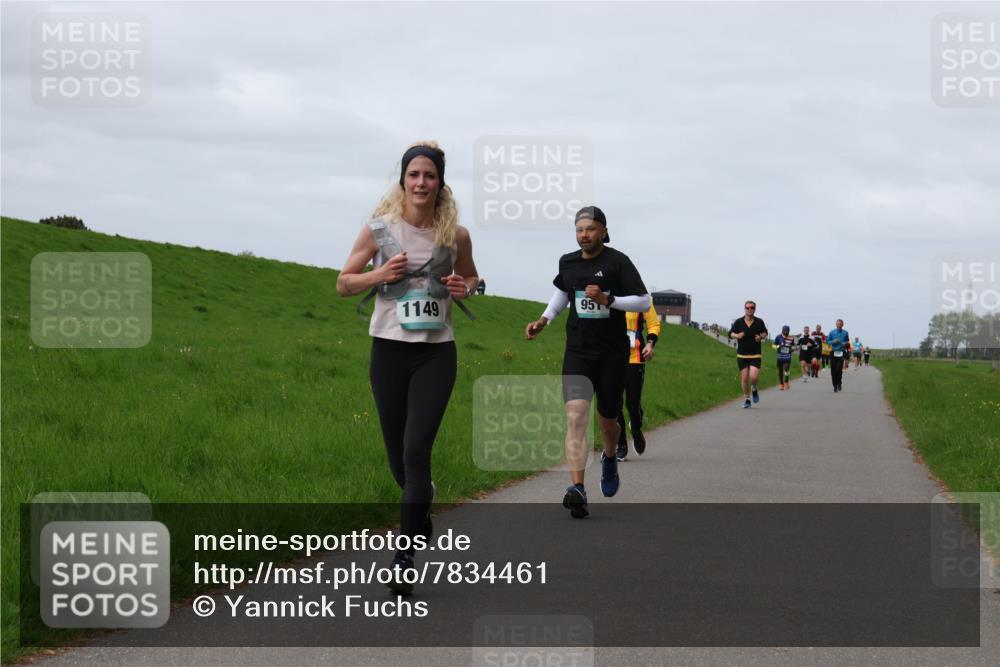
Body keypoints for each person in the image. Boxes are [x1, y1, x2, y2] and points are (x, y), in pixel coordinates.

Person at [337, 141, 479, 592]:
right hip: (389, 351)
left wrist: (466, 287)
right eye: (414, 175)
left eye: (429, 176)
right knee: (400, 461)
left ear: (441, 183)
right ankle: (423, 500)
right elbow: (344, 283)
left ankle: (403, 556)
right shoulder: (380, 229)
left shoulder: (454, 235)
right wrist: (381, 275)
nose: (421, 183)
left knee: (417, 450)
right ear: (403, 179)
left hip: (437, 353)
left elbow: (474, 279)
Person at [525, 206, 650, 519]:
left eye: (591, 229)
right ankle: (577, 488)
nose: (584, 235)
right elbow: (561, 294)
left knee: (608, 422)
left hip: (612, 354)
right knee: (576, 417)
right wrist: (544, 320)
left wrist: (610, 300)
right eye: (580, 229)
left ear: (604, 232)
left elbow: (643, 301)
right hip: (578, 351)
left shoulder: (617, 262)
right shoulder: (568, 262)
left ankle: (609, 458)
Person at [616, 302, 661, 461]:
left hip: (635, 359)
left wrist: (650, 343)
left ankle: (636, 429)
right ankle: (621, 444)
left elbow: (654, 324)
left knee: (632, 403)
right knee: (615, 405)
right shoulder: (608, 296)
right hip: (612, 358)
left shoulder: (642, 300)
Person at [729, 301, 769, 408]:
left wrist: (761, 337)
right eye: (747, 307)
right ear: (744, 309)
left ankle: (754, 388)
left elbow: (765, 332)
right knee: (745, 378)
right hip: (742, 355)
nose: (749, 309)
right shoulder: (738, 322)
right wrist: (737, 335)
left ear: (755, 309)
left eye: (752, 307)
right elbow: (730, 333)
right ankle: (747, 399)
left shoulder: (759, 322)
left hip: (755, 354)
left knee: (754, 376)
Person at [827, 319, 850, 392]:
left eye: (840, 324)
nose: (839, 325)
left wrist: (845, 343)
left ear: (842, 325)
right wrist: (833, 341)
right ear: (836, 324)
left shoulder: (845, 333)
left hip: (841, 352)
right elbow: (827, 341)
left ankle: (839, 382)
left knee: (838, 369)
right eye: (838, 324)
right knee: (833, 370)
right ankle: (835, 384)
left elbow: (847, 342)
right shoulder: (832, 332)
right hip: (833, 352)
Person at [774, 325, 794, 390]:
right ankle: (781, 384)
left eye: (787, 331)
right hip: (780, 357)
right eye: (784, 331)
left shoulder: (791, 338)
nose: (785, 332)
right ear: (782, 330)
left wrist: (792, 349)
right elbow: (774, 345)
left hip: (788, 356)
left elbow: (793, 346)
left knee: (786, 369)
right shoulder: (778, 337)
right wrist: (778, 346)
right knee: (780, 371)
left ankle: (786, 381)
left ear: (789, 331)